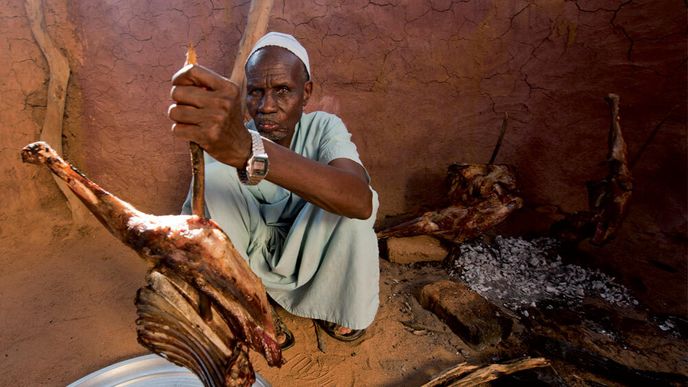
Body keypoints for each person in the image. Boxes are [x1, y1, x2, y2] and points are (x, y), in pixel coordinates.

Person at [168, 32, 379, 346]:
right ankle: (253, 304)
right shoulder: (231, 139)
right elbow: (203, 226)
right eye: (255, 92)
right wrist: (240, 147)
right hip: (251, 248)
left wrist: (252, 152)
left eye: (282, 91)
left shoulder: (324, 127)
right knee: (213, 182)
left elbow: (359, 201)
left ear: (306, 92)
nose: (266, 106)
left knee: (353, 201)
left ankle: (334, 300)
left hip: (314, 243)